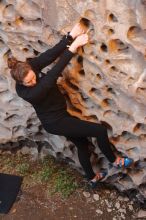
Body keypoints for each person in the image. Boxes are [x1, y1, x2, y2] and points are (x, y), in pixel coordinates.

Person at [7, 21, 133, 188]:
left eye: (33, 77)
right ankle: (115, 160)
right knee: (100, 131)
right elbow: (53, 74)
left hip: (60, 117)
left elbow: (50, 55)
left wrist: (70, 36)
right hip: (56, 122)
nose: (34, 80)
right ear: (20, 83)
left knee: (83, 145)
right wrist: (73, 47)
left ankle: (92, 178)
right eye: (29, 81)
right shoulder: (28, 93)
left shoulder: (30, 67)